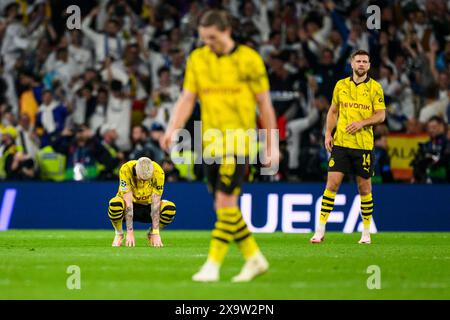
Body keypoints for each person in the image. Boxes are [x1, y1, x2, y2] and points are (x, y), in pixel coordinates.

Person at [161, 10, 278, 282]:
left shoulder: (249, 60)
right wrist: (172, 128)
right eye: (203, 39)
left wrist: (272, 144)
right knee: (223, 207)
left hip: (240, 142)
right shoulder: (198, 59)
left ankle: (212, 265)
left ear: (227, 31)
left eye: (212, 38)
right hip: (210, 143)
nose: (208, 43)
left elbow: (265, 105)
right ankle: (254, 258)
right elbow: (187, 98)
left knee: (226, 200)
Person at [310, 49, 386, 245]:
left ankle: (366, 233)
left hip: (363, 146)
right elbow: (333, 111)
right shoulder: (341, 85)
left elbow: (381, 115)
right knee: (332, 185)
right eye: (358, 61)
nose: (361, 64)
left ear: (369, 66)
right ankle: (319, 230)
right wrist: (328, 133)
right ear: (352, 64)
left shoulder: (375, 88)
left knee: (364, 189)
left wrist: (362, 123)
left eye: (365, 61)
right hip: (341, 144)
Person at [107, 157, 177, 247]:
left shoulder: (158, 172)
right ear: (136, 169)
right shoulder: (126, 169)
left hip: (148, 206)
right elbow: (128, 204)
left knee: (169, 208)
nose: (143, 181)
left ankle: (151, 233)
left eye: (147, 179)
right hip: (129, 205)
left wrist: (156, 232)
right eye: (141, 178)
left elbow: (155, 203)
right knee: (115, 203)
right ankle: (119, 234)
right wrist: (130, 232)